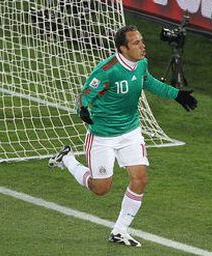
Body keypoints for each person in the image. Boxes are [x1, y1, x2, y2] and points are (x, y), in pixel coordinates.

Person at [48, 25, 197, 247]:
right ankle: (67, 158)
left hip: (130, 131)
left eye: (141, 41)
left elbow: (147, 81)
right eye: (136, 43)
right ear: (122, 48)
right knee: (101, 188)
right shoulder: (108, 70)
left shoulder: (141, 63)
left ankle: (119, 230)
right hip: (103, 135)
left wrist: (176, 95)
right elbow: (84, 96)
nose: (142, 46)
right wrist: (83, 110)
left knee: (140, 178)